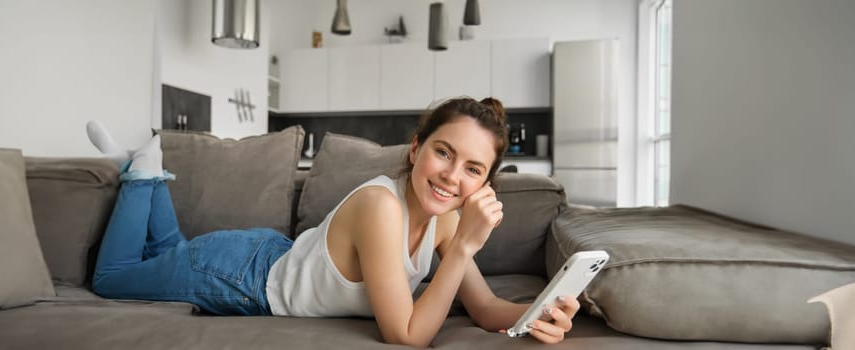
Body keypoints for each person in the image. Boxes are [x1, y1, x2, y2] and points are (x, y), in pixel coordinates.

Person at [86, 97, 580, 347]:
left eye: (473, 169)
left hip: (267, 253)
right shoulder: (380, 207)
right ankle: (140, 173)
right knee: (112, 280)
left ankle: (149, 175)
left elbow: (485, 306)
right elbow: (406, 336)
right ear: (416, 149)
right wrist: (467, 248)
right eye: (443, 153)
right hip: (240, 276)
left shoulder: (446, 223)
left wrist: (536, 315)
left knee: (166, 252)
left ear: (486, 183)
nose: (452, 176)